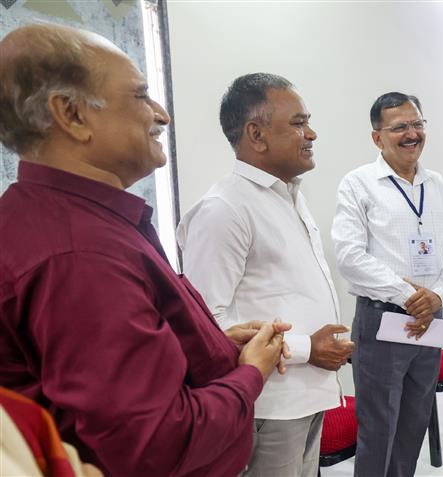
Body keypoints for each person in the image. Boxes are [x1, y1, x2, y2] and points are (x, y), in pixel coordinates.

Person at [0, 24, 288, 477]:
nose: (161, 115)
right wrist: (249, 375)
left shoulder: (81, 221)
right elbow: (152, 446)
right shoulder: (80, 255)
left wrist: (206, 345)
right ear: (72, 114)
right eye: (139, 97)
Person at [176, 73, 354, 477]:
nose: (311, 133)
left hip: (308, 394)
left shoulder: (288, 194)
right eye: (297, 123)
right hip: (270, 405)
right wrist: (309, 347)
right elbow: (206, 329)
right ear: (256, 134)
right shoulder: (225, 209)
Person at [332, 92, 443, 476]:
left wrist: (436, 295)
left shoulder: (436, 183)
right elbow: (350, 257)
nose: (412, 133)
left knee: (414, 421)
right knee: (379, 425)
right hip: (383, 320)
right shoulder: (358, 184)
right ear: (378, 138)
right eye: (400, 127)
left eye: (417, 124)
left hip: (431, 319)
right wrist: (409, 295)